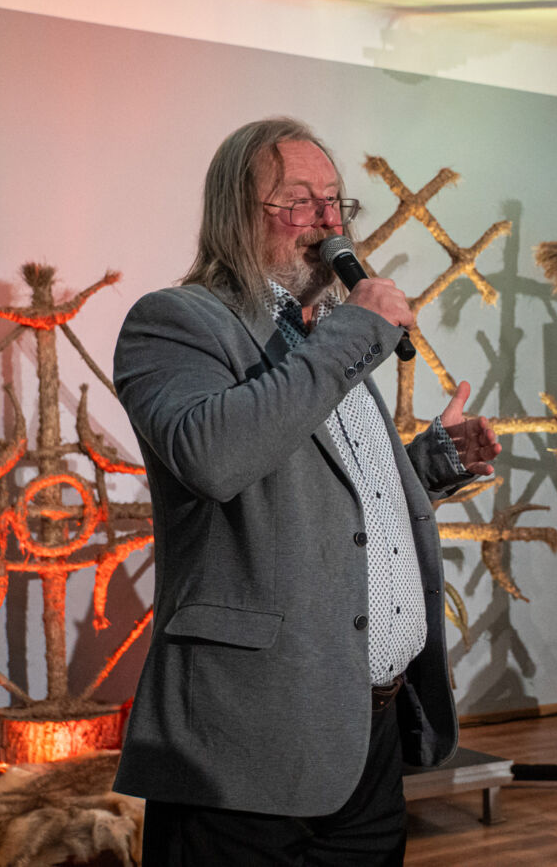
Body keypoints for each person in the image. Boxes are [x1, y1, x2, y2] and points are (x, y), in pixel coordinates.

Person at [111, 117, 501, 865]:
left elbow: (331, 495)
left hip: (364, 735)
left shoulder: (316, 336)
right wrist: (352, 335)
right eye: (298, 202)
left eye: (334, 202)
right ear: (237, 213)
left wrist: (433, 461)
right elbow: (214, 457)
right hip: (244, 741)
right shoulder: (179, 320)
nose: (327, 222)